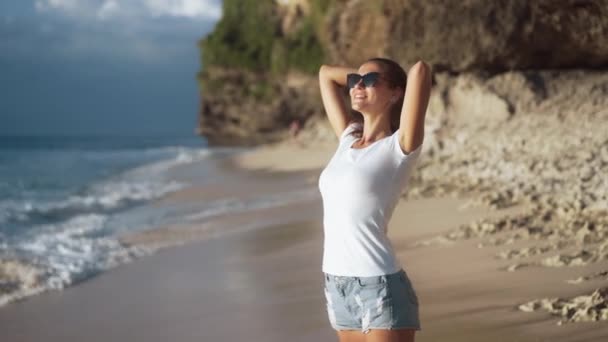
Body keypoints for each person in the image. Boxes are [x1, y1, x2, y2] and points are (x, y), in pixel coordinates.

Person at [317, 57, 431, 342]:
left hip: (378, 284)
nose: (357, 86)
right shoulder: (348, 138)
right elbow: (325, 75)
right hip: (336, 284)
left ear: (395, 93)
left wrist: (378, 79)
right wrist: (362, 77)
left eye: (369, 81)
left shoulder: (399, 146)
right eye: (355, 81)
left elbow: (420, 70)